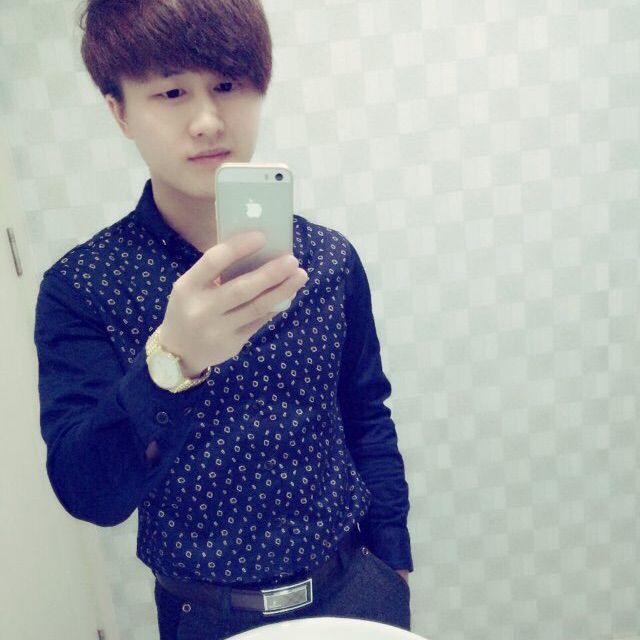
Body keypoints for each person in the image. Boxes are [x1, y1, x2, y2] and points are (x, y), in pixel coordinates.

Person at [34, 1, 413, 638]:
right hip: (205, 616)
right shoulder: (83, 288)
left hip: (355, 587)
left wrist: (393, 562)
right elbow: (89, 495)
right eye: (172, 92)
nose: (208, 120)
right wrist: (171, 364)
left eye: (228, 84)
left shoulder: (328, 260)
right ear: (120, 111)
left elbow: (366, 413)